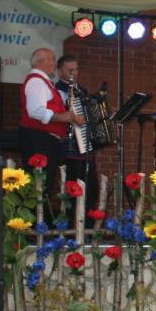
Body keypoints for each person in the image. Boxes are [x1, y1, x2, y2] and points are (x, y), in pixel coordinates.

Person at [19, 47, 83, 197]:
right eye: (52, 59)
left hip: (42, 140)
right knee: (39, 186)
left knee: (43, 186)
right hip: (38, 140)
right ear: (42, 62)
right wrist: (65, 117)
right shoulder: (37, 81)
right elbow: (35, 111)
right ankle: (36, 220)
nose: (54, 64)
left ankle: (39, 219)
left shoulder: (42, 82)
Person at [54, 54, 97, 209]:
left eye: (76, 69)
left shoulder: (83, 90)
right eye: (69, 70)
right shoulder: (56, 91)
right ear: (60, 72)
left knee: (91, 187)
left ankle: (87, 223)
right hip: (69, 145)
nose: (74, 73)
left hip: (85, 144)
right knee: (72, 186)